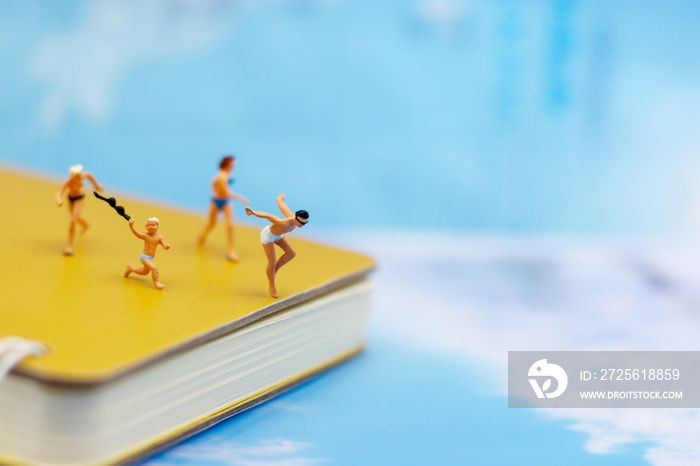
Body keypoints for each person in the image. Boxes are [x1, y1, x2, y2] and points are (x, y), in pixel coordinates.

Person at [245, 194, 309, 299]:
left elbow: (281, 205)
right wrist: (252, 212)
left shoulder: (293, 218)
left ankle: (275, 270)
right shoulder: (283, 222)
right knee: (272, 261)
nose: (303, 225)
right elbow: (267, 215)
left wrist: (280, 198)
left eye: (305, 223)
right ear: (297, 219)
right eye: (302, 222)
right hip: (268, 235)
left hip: (278, 235)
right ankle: (272, 284)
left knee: (292, 253)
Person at [198, 156, 249, 261]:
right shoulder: (221, 177)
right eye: (232, 163)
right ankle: (202, 237)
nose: (234, 165)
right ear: (227, 164)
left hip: (226, 203)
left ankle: (231, 251)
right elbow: (225, 192)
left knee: (230, 226)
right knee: (211, 224)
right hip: (216, 202)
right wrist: (240, 198)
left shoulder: (228, 174)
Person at [55, 164, 103, 255]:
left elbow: (89, 175)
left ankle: (68, 247)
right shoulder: (68, 182)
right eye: (77, 176)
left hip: (79, 199)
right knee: (76, 218)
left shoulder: (81, 176)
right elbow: (59, 193)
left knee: (73, 220)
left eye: (79, 175)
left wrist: (96, 185)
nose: (80, 177)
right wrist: (59, 200)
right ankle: (85, 225)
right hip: (70, 199)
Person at [124, 217, 171, 290]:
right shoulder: (146, 235)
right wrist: (131, 225)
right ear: (146, 227)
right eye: (148, 225)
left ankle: (131, 268)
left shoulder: (159, 237)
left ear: (157, 226)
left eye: (153, 225)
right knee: (154, 269)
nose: (151, 227)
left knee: (144, 272)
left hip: (150, 258)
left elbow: (164, 245)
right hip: (144, 257)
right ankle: (157, 283)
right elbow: (136, 232)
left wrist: (166, 246)